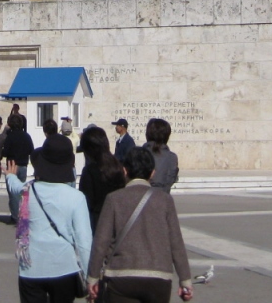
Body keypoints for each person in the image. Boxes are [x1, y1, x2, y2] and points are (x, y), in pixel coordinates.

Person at [89, 147, 193, 303]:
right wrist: (185, 280)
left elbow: (101, 242)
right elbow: (176, 242)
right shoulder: (165, 200)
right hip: (158, 278)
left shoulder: (113, 199)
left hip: (121, 277)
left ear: (125, 171)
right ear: (152, 173)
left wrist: (93, 277)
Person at [7, 134, 92, 303]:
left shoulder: (28, 190)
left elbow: (16, 187)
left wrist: (10, 176)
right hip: (64, 268)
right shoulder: (76, 197)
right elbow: (84, 242)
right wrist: (90, 276)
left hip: (30, 267)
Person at [78, 125, 125, 234]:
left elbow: (86, 202)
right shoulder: (117, 167)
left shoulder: (90, 170)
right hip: (118, 221)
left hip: (98, 223)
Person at [2, 111, 34, 224]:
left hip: (12, 166)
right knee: (21, 191)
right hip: (23, 165)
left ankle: (15, 216)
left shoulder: (10, 137)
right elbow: (31, 150)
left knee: (13, 192)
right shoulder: (26, 136)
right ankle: (22, 214)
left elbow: (4, 152)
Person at [144, 119, 178, 192]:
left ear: (147, 134)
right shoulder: (172, 157)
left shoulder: (138, 154)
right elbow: (171, 180)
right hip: (163, 197)